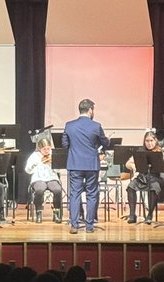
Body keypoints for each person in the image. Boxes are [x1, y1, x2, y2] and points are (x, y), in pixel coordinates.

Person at [62, 98, 110, 234]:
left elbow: (65, 145)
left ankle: (74, 225)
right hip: (91, 165)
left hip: (75, 164)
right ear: (90, 110)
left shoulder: (69, 125)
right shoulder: (96, 126)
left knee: (75, 194)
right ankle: (89, 226)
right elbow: (105, 143)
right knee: (91, 195)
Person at [125, 129, 164, 224]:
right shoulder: (141, 151)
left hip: (158, 177)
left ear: (155, 141)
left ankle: (150, 215)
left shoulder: (160, 151)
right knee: (131, 187)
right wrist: (133, 166)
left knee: (153, 187)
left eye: (151, 141)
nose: (149, 143)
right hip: (144, 177)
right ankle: (132, 215)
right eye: (147, 141)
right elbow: (128, 163)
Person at [25, 137, 63, 223]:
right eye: (44, 149)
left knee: (57, 190)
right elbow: (27, 170)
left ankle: (56, 212)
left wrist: (53, 164)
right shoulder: (34, 156)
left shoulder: (52, 155)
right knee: (39, 190)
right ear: (39, 149)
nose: (46, 151)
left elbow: (58, 170)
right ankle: (39, 212)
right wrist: (35, 164)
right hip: (38, 178)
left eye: (48, 148)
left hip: (51, 178)